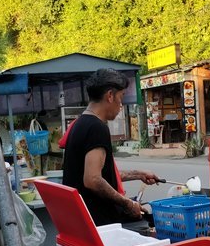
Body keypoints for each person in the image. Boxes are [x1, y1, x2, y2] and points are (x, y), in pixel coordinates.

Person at [63, 68, 160, 226]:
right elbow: (92, 179)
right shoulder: (97, 127)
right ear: (110, 96)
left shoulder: (79, 123)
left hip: (81, 220)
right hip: (99, 223)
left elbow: (101, 174)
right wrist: (128, 204)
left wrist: (139, 174)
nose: (121, 104)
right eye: (121, 97)